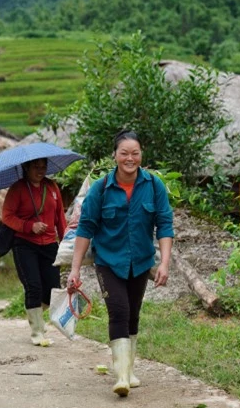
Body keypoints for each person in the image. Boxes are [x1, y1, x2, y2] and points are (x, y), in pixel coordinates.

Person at [66, 130, 174, 397]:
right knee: (119, 311)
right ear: (114, 156)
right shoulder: (101, 189)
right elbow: (85, 229)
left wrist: (164, 264)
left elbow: (165, 225)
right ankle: (122, 376)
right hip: (108, 261)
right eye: (124, 153)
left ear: (141, 155)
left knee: (133, 314)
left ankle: (129, 368)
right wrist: (75, 269)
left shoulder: (154, 186)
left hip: (140, 261)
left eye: (135, 153)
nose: (130, 158)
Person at [2, 158, 67, 346]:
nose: (40, 171)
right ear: (26, 168)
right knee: (34, 286)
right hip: (24, 244)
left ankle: (35, 313)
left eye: (43, 167)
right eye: (36, 167)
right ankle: (37, 331)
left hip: (49, 244)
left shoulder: (52, 187)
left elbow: (59, 218)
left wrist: (65, 244)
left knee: (52, 290)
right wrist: (29, 226)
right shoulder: (18, 189)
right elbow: (7, 216)